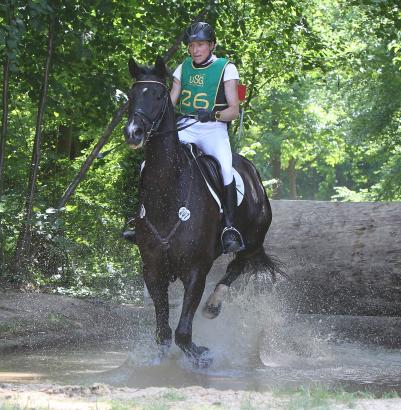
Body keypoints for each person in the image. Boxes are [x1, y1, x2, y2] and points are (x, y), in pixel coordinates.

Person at [124, 22, 244, 253]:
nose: (195, 50)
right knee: (149, 164)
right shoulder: (182, 68)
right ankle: (140, 216)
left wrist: (214, 114)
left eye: (200, 45)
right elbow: (169, 103)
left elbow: (234, 110)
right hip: (185, 126)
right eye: (191, 46)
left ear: (211, 45)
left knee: (226, 169)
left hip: (213, 127)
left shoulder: (226, 68)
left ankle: (229, 227)